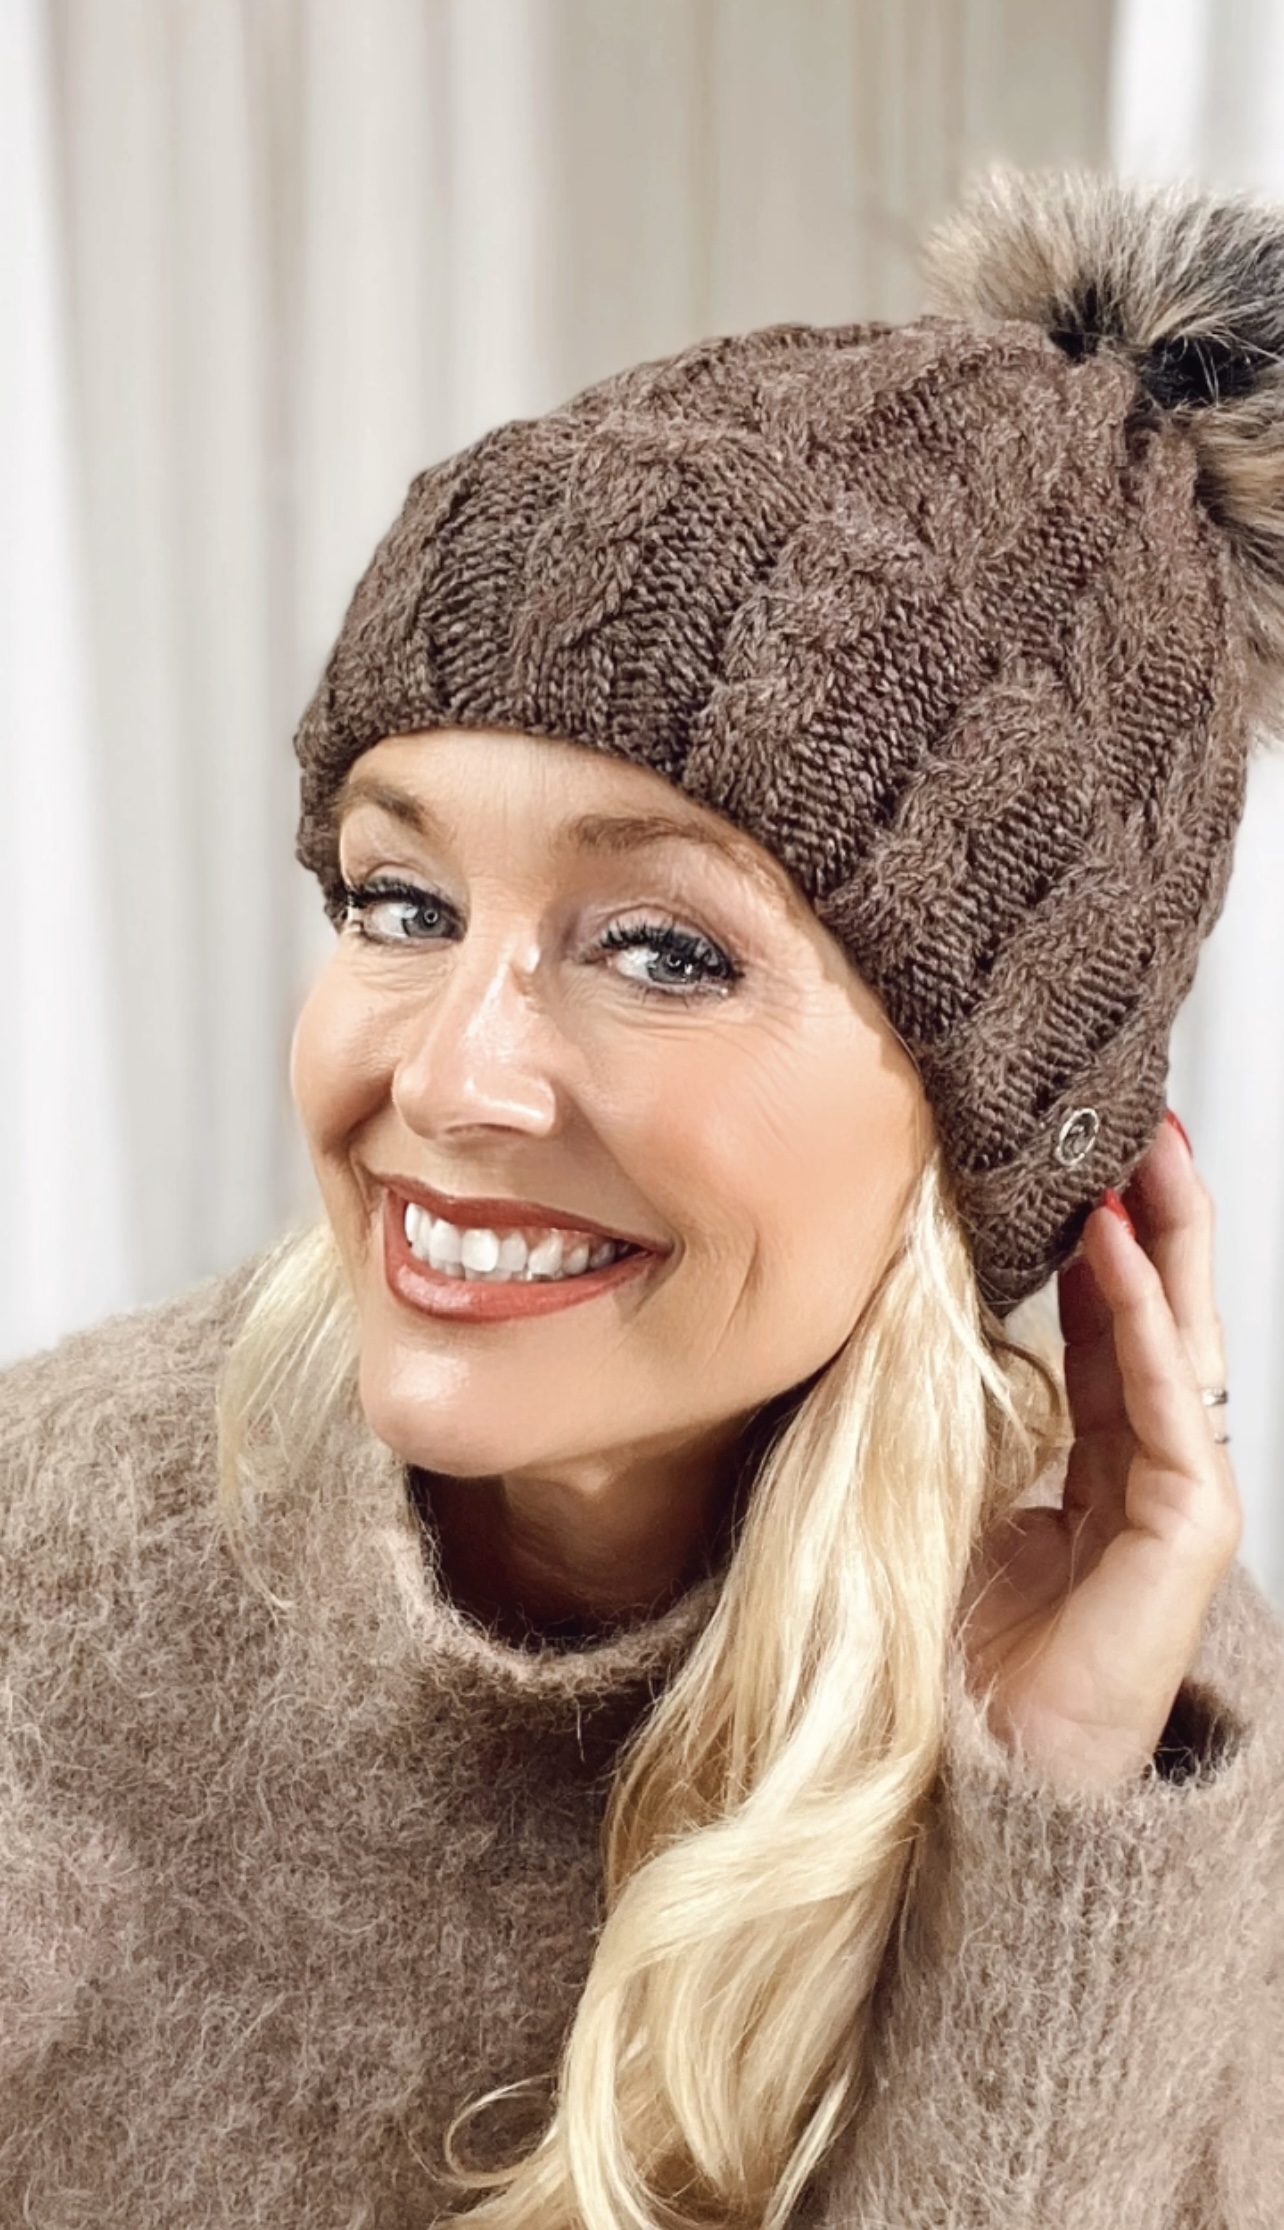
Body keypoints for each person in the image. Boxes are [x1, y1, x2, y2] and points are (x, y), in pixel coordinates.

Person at [2, 166, 1282, 2230]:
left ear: (1009, 1133)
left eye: (664, 949)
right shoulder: (48, 1576)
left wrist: (1045, 1831)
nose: (449, 1076)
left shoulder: (1160, 1716)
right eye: (398, 900)